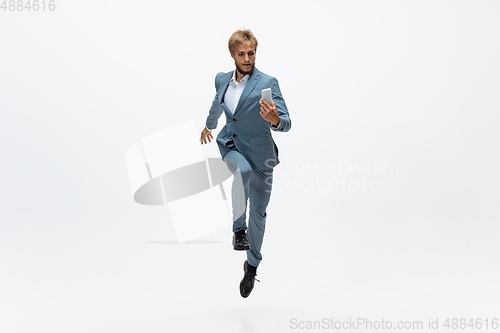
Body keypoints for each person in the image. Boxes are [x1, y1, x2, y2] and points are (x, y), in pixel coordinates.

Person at [200, 29, 291, 298]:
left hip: (262, 154)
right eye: (242, 54)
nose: (247, 58)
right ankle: (237, 230)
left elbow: (286, 121)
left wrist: (275, 119)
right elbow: (217, 105)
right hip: (232, 145)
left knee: (259, 217)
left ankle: (251, 267)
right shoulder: (222, 80)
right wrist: (208, 126)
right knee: (242, 170)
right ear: (232, 55)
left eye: (251, 53)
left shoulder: (268, 82)